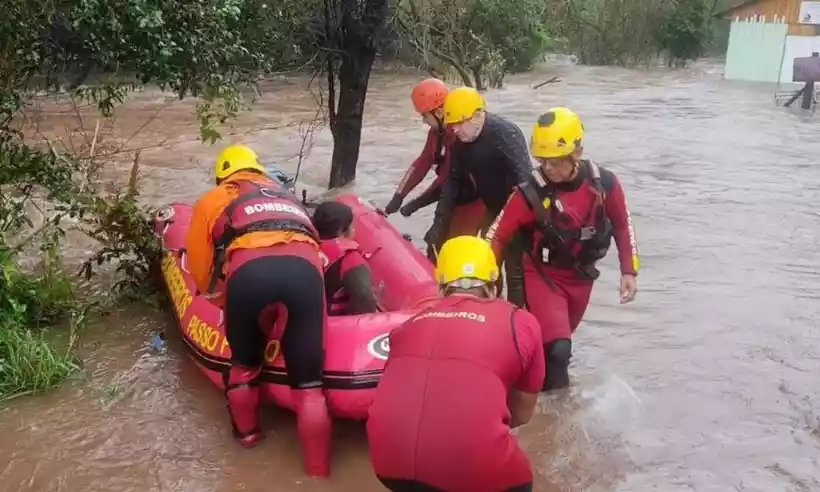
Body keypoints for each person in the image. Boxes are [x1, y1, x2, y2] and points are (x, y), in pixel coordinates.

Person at [185, 144, 331, 477]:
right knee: (310, 385)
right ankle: (319, 473)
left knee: (245, 367)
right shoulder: (288, 197)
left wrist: (219, 298)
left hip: (250, 275)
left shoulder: (214, 199)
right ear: (258, 169)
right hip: (304, 274)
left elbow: (199, 263)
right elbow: (315, 247)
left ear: (223, 176)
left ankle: (248, 442)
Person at [367, 235, 544, 492]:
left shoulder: (406, 327)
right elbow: (522, 414)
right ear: (494, 283)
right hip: (476, 472)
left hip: (388, 464)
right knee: (516, 474)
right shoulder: (521, 321)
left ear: (440, 285)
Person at [485, 107, 640, 391]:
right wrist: (477, 275)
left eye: (556, 162)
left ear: (577, 153)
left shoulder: (605, 184)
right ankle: (555, 422)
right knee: (558, 349)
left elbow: (622, 225)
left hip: (581, 279)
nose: (548, 169)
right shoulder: (530, 191)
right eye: (543, 161)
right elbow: (497, 235)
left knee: (554, 351)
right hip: (543, 276)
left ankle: (533, 400)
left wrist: (628, 271)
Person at [427, 86, 532, 307]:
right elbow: (451, 185)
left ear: (477, 116)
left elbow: (526, 184)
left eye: (459, 124)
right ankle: (487, 312)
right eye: (451, 125)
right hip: (492, 206)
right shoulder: (460, 143)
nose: (454, 131)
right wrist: (438, 225)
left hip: (518, 210)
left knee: (515, 270)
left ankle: (515, 319)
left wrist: (507, 225)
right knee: (486, 263)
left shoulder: (505, 134)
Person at [382, 78, 486, 257]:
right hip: (451, 199)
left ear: (439, 112)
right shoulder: (436, 134)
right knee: (435, 248)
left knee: (453, 251)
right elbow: (422, 163)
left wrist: (416, 204)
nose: (424, 121)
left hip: (472, 203)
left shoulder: (458, 135)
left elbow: (445, 180)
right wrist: (398, 196)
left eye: (425, 116)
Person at [312, 200, 380, 315]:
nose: (354, 229)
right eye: (352, 226)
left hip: (309, 313)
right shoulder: (351, 259)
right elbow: (364, 298)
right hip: (334, 322)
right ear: (342, 232)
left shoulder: (305, 244)